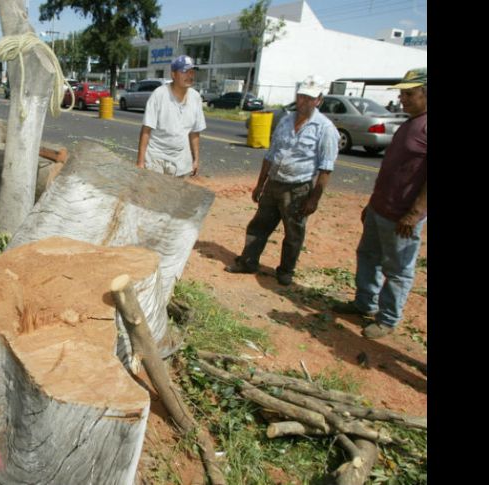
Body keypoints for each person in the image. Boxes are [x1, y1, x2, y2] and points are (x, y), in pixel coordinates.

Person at [332, 68, 427, 339]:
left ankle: (387, 319)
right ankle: (364, 303)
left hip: (402, 216)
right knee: (368, 256)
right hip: (380, 208)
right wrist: (372, 204)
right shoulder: (411, 122)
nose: (402, 99)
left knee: (397, 270)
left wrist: (414, 213)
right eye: (402, 93)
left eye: (409, 94)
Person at [225, 75, 339, 286]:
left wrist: (313, 199)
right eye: (301, 96)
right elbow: (270, 155)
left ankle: (286, 271)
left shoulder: (325, 128)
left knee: (294, 233)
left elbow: (326, 169)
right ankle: (248, 262)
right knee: (259, 226)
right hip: (274, 184)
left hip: (298, 189)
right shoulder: (286, 121)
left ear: (319, 100)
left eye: (309, 98)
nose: (304, 101)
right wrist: (260, 184)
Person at [136, 55, 206, 178]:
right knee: (153, 190)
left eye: (192, 72)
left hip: (181, 162)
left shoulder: (195, 98)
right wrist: (140, 162)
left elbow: (194, 133)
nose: (189, 75)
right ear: (173, 74)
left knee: (177, 190)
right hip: (156, 159)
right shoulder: (159, 95)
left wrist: (195, 159)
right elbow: (146, 130)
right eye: (184, 71)